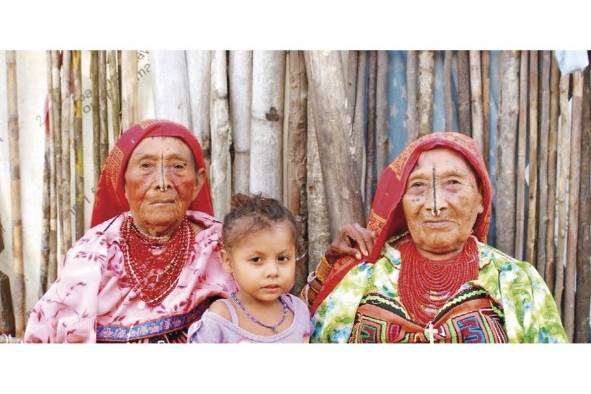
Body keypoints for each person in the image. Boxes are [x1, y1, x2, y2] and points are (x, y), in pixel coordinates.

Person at [302, 132, 567, 343]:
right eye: (417, 186)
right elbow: (287, 329)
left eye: (453, 183)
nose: (435, 205)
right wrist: (330, 267)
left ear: (480, 201)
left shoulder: (516, 280)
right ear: (400, 203)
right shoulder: (362, 272)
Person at [24, 119, 236, 343]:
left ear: (198, 182)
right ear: (122, 182)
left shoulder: (221, 246)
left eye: (178, 167)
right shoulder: (94, 251)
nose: (162, 182)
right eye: (146, 166)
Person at [188, 194, 311, 343]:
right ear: (228, 261)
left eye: (282, 258)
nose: (273, 272)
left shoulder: (299, 312)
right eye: (256, 260)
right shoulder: (220, 320)